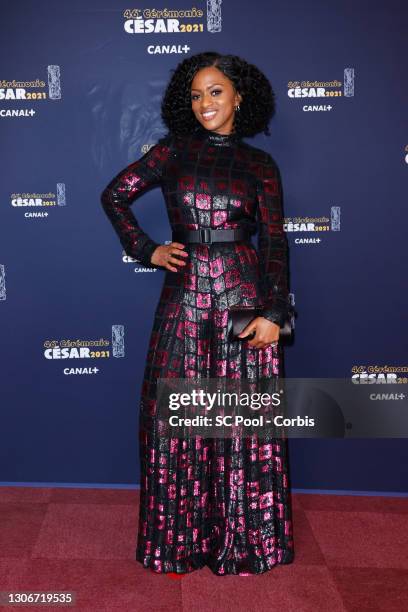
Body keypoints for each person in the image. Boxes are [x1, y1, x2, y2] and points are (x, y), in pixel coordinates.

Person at [100, 51, 294, 576]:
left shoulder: (260, 165)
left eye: (215, 91)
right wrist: (147, 249)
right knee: (176, 418)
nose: (205, 103)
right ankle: (179, 540)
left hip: (242, 293)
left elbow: (275, 241)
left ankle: (244, 539)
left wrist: (275, 311)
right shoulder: (174, 152)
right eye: (195, 94)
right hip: (184, 295)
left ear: (239, 97)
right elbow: (114, 196)